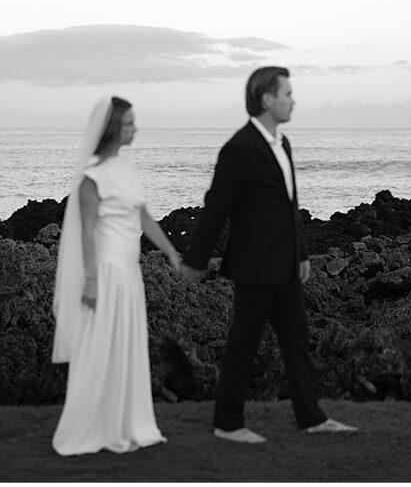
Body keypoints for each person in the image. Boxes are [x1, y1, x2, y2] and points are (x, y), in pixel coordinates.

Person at [181, 66, 357, 443]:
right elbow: (216, 207)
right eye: (287, 94)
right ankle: (227, 424)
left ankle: (311, 418)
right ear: (266, 99)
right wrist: (195, 260)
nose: (293, 100)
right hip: (254, 266)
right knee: (243, 344)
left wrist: (303, 253)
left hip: (286, 264)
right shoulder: (240, 148)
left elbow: (289, 206)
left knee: (297, 343)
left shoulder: (284, 144)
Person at [51, 95, 181, 455]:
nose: (135, 129)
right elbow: (87, 233)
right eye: (128, 124)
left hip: (129, 272)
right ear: (112, 129)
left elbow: (142, 216)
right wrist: (90, 279)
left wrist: (170, 250)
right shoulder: (91, 179)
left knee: (127, 345)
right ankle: (90, 427)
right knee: (99, 348)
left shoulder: (126, 168)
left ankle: (127, 422)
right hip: (105, 271)